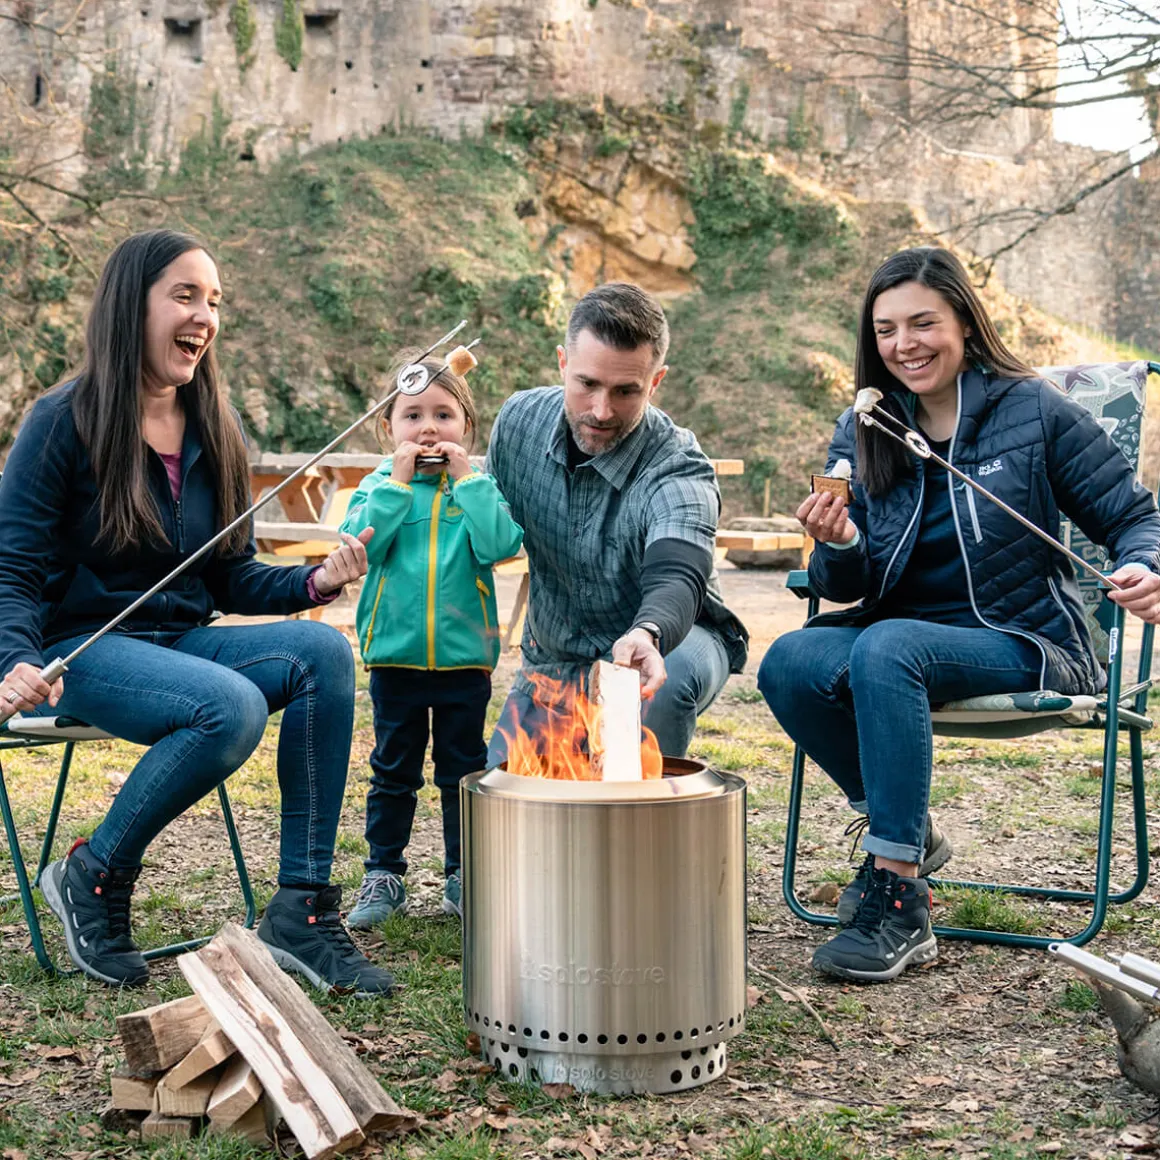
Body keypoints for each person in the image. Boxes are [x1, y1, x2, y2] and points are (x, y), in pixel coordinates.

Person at [0, 229, 394, 996]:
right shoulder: (60, 422)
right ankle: (95, 871)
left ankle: (301, 910)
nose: (204, 316)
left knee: (324, 656)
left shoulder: (215, 425)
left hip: (181, 640)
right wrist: (13, 658)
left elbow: (230, 576)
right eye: (185, 295)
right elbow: (11, 568)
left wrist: (314, 585)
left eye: (213, 300)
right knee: (232, 705)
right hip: (79, 648)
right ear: (130, 305)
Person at [759, 246, 1160, 983]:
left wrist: (1145, 566)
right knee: (787, 662)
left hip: (1025, 636)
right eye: (885, 331)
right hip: (900, 635)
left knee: (886, 647)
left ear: (964, 324)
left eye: (922, 323)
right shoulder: (867, 425)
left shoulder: (1031, 410)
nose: (904, 344)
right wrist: (840, 542)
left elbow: (1135, 516)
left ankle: (899, 895)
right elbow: (840, 581)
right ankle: (902, 829)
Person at [485, 282, 748, 765]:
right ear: (563, 364)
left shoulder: (678, 464)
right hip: (555, 661)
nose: (601, 411)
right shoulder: (517, 425)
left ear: (656, 381)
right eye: (587, 384)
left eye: (626, 391)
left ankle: (644, 827)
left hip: (671, 643)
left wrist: (648, 632)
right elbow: (478, 531)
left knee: (653, 704)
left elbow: (679, 570)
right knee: (501, 795)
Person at [339, 350, 522, 927]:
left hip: (465, 662)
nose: (428, 429)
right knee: (393, 769)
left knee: (462, 770)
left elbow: (500, 545)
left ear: (466, 427)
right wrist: (395, 483)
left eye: (444, 415)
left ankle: (462, 873)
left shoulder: (478, 488)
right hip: (395, 658)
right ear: (388, 428)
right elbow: (364, 546)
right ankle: (383, 872)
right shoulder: (375, 486)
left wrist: (469, 481)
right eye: (412, 416)